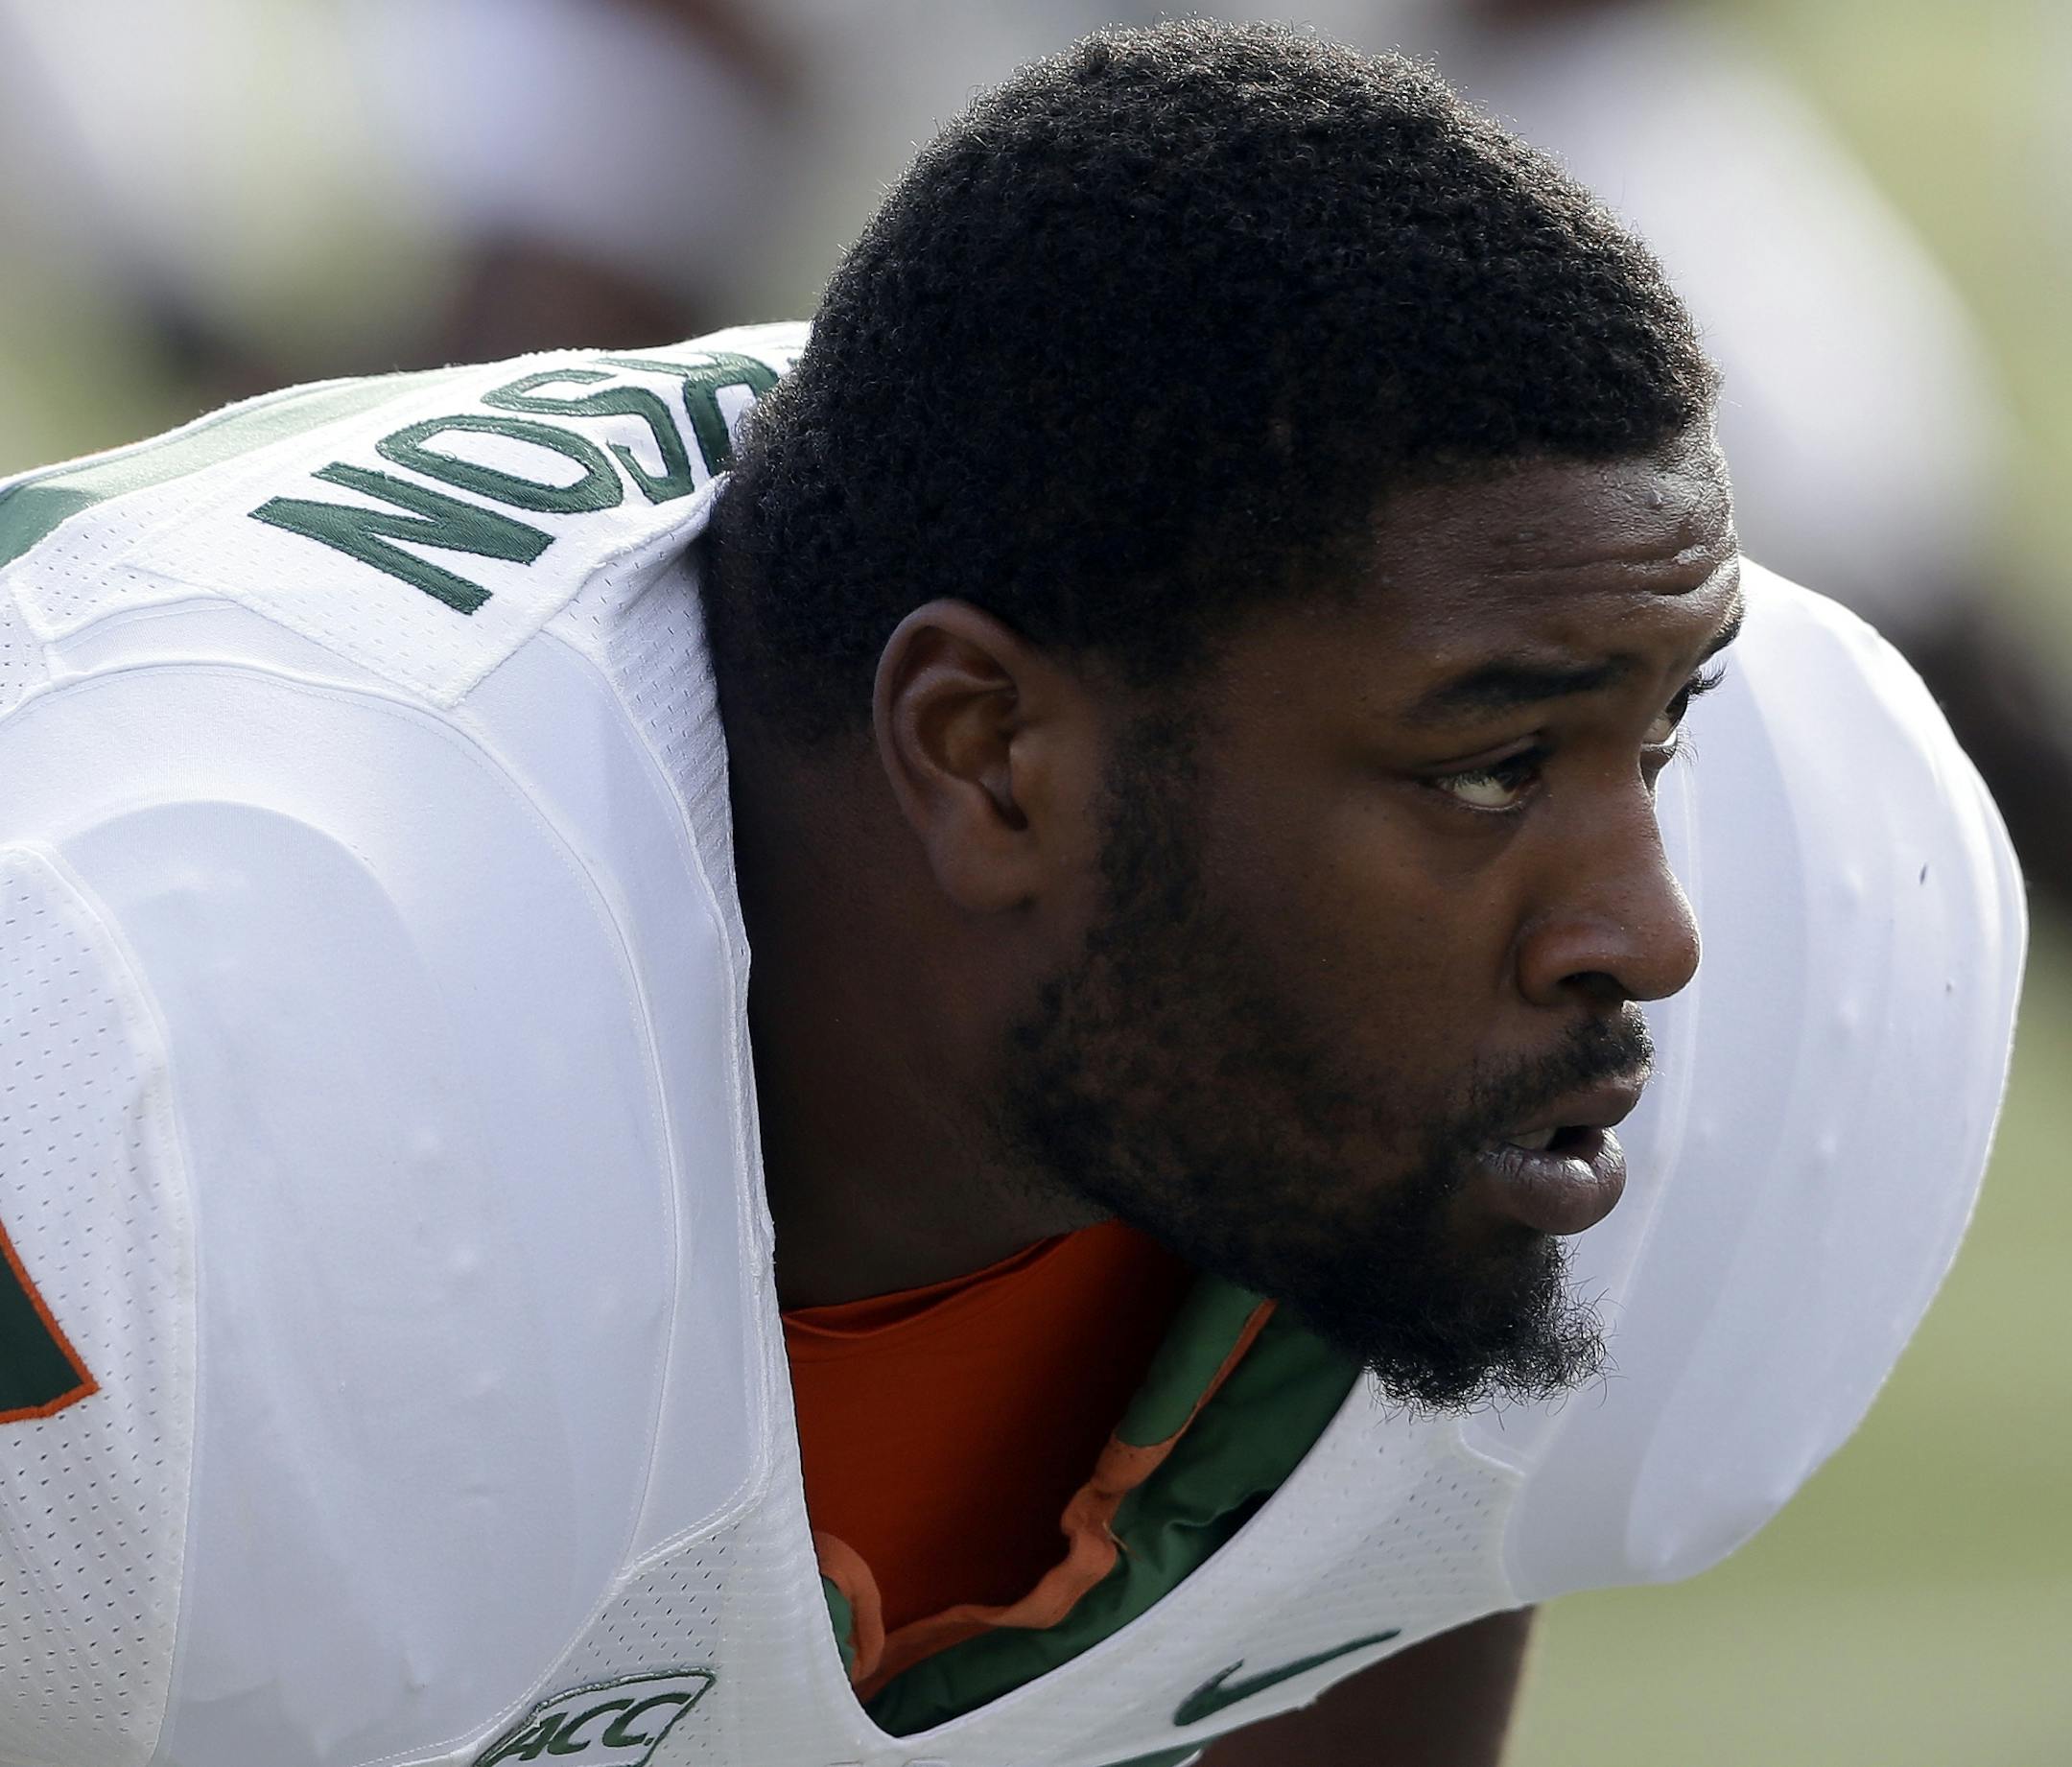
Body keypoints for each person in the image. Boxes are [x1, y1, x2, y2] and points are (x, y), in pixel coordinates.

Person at [0, 24, 2021, 1767]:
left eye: (1653, 740)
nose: (1653, 933)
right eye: (1489, 768)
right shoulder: (144, 1055)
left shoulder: (1786, 900)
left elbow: (1388, 1557)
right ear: (985, 754)